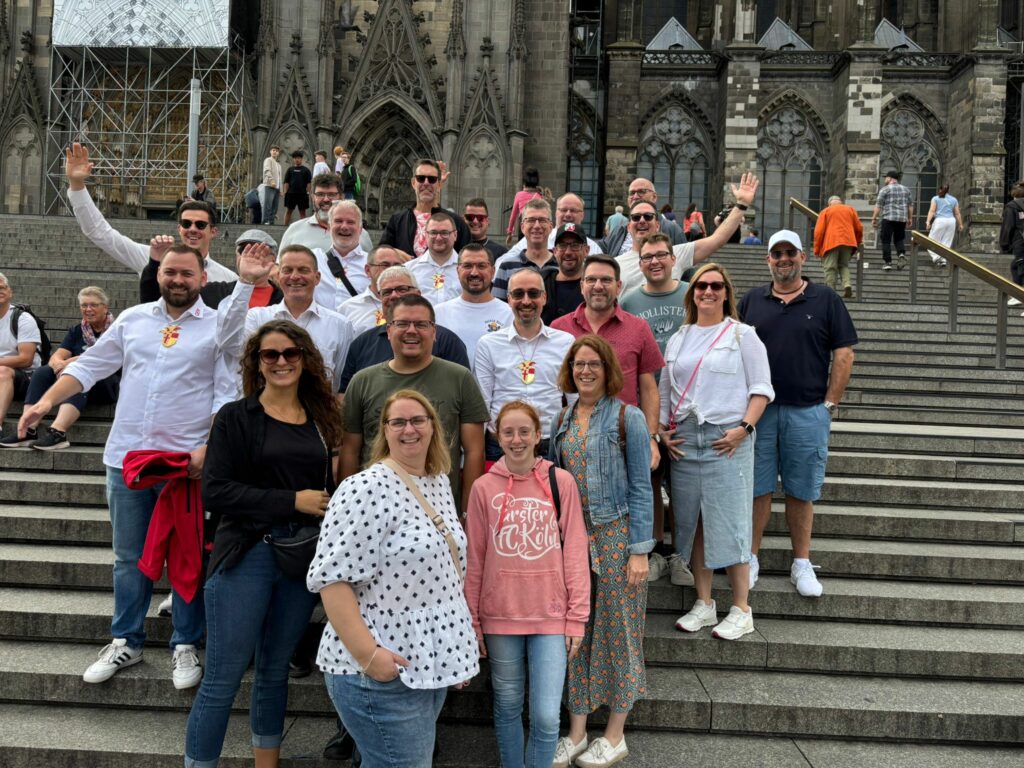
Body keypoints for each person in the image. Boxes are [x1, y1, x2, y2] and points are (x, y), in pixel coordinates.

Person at [18, 245, 235, 688]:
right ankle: (126, 640)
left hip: (184, 464)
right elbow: (91, 367)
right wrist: (43, 402)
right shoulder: (134, 320)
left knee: (187, 557)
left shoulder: (218, 326)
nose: (177, 280)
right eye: (170, 271)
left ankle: (185, 644)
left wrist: (209, 447)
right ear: (159, 275)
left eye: (186, 273)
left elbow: (226, 393)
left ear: (203, 276)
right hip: (128, 459)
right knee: (128, 558)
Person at [185, 320, 342, 768]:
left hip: (297, 558)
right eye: (269, 355)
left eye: (290, 353)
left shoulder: (320, 419)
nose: (280, 362)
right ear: (256, 362)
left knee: (275, 673)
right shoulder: (237, 416)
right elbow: (215, 491)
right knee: (222, 678)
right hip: (247, 557)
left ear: (305, 360)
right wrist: (292, 500)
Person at [309, 390, 479, 767]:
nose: (409, 429)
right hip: (379, 672)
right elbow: (333, 581)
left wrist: (453, 649)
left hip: (423, 665)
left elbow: (444, 577)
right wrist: (370, 657)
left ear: (434, 428)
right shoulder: (364, 488)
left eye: (418, 420)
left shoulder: (436, 482)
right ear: (383, 431)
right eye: (397, 422)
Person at [464, 400, 591, 768]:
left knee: (547, 716)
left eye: (524, 432)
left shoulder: (560, 482)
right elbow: (475, 559)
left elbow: (576, 551)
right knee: (506, 705)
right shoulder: (483, 488)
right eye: (508, 432)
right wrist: (474, 621)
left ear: (538, 436)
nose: (516, 439)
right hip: (500, 615)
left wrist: (576, 616)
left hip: (550, 616)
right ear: (496, 436)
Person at [549, 335, 653, 768]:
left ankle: (615, 734)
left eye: (593, 364)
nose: (585, 371)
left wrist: (640, 550)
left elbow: (642, 488)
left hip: (615, 536)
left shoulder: (629, 417)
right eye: (578, 365)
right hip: (572, 539)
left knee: (620, 633)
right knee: (576, 633)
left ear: (608, 369)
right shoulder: (563, 418)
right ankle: (576, 732)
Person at [738, 230, 857, 598]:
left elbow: (844, 353)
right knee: (756, 489)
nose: (784, 259)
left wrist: (829, 403)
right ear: (767, 259)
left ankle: (801, 562)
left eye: (790, 252)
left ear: (803, 257)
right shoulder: (750, 301)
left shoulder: (826, 299)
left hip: (807, 411)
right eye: (777, 253)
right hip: (759, 413)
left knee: (801, 490)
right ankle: (751, 557)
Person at [658, 263, 774, 641]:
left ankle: (742, 608)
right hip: (686, 440)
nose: (707, 291)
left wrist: (744, 428)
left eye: (715, 286)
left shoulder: (743, 335)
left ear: (726, 292)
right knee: (693, 522)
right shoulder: (679, 337)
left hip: (727, 438)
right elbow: (664, 392)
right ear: (692, 294)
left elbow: (761, 389)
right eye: (701, 286)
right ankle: (705, 603)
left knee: (732, 521)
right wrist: (661, 431)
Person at [341, 295, 488, 510]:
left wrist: (467, 512)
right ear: (388, 331)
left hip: (440, 508)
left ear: (434, 332)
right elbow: (350, 450)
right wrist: (348, 506)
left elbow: (475, 451)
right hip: (376, 509)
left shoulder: (460, 378)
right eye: (402, 323)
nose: (412, 330)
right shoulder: (362, 381)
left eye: (421, 324)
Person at [620, 233, 690, 582]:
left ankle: (683, 552)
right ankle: (658, 548)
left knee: (684, 485)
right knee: (650, 479)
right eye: (647, 257)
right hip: (648, 406)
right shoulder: (630, 300)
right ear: (640, 262)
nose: (655, 261)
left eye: (661, 255)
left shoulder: (691, 293)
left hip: (686, 404)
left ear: (673, 258)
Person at [64, 142, 237, 283]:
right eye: (186, 223)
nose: (192, 229)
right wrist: (77, 185)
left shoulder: (228, 280)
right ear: (179, 228)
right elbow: (101, 233)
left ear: (213, 231)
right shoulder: (153, 259)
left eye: (200, 224)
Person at [552, 256, 664, 458]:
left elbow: (648, 388)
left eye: (606, 280)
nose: (598, 286)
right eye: (591, 280)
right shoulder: (559, 329)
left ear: (619, 286)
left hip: (624, 437)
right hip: (573, 440)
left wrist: (651, 437)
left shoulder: (638, 328)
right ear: (581, 285)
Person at [216, 244, 355, 393]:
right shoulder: (258, 317)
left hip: (317, 413)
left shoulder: (340, 325)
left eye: (303, 270)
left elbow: (339, 381)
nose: (295, 276)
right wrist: (245, 280)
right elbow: (228, 343)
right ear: (278, 277)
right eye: (287, 270)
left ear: (317, 278)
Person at [475, 268, 575, 461]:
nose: (526, 301)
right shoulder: (488, 344)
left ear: (544, 297)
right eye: (519, 294)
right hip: (501, 445)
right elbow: (483, 405)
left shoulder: (565, 342)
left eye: (534, 293)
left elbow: (574, 400)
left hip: (549, 442)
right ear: (509, 299)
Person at [1, 286, 118, 450]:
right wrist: (58, 363)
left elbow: (101, 355)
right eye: (84, 305)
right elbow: (57, 355)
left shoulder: (117, 330)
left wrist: (69, 364)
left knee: (79, 373)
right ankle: (28, 429)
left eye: (93, 305)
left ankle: (58, 432)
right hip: (75, 376)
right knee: (42, 372)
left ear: (105, 307)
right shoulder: (78, 330)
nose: (88, 309)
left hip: (106, 383)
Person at [611, 172, 759, 292]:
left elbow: (717, 239)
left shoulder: (676, 254)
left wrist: (742, 204)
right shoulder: (616, 265)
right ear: (629, 226)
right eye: (636, 217)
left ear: (657, 225)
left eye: (648, 216)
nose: (642, 220)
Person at [337, 267, 470, 392]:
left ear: (418, 294)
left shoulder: (447, 341)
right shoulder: (362, 344)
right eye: (387, 292)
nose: (394, 296)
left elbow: (463, 392)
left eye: (402, 289)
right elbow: (346, 395)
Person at [139, 229, 283, 309]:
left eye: (260, 251)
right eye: (244, 250)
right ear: (236, 256)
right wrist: (154, 263)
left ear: (273, 259)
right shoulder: (213, 292)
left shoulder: (285, 299)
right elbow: (156, 301)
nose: (251, 256)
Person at [434, 243, 513, 366]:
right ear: (458, 270)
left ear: (493, 271)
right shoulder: (438, 313)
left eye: (481, 266)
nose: (474, 273)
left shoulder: (510, 314)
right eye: (467, 266)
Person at [379, 158, 473, 256]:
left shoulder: (456, 222)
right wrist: (402, 256)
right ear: (413, 183)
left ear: (440, 184)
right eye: (421, 178)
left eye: (432, 179)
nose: (426, 183)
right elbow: (381, 254)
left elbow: (468, 258)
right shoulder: (397, 220)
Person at [500, 192, 603, 263]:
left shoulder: (593, 248)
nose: (568, 214)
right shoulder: (535, 239)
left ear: (582, 215)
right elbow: (503, 261)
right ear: (556, 213)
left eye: (573, 210)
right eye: (563, 210)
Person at [0, 272, 42, 439]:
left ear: (10, 292)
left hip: (26, 378)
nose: (0, 291)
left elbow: (26, 359)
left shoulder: (22, 318)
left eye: (2, 287)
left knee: (2, 371)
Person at [492, 197, 556, 300]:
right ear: (522, 227)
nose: (537, 226)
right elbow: (498, 311)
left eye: (542, 220)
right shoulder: (507, 267)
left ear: (551, 227)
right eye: (531, 220)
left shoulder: (561, 266)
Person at [600, 178, 685, 254]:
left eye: (641, 191)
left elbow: (684, 262)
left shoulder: (673, 230)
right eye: (632, 193)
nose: (635, 196)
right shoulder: (619, 230)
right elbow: (599, 250)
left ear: (654, 197)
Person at [338, 246, 411, 332]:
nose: (392, 269)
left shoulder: (414, 304)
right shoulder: (348, 308)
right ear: (368, 270)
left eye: (397, 265)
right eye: (385, 265)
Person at [405, 210, 462, 305]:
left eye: (444, 233)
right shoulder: (409, 270)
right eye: (433, 233)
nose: (438, 238)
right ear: (426, 235)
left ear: (455, 235)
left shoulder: (467, 269)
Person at [813, 195, 864, 298]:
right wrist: (857, 242)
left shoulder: (826, 211)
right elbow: (859, 228)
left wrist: (817, 249)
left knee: (830, 268)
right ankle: (847, 285)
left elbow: (819, 232)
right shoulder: (850, 210)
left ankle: (831, 291)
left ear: (829, 203)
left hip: (831, 242)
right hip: (848, 242)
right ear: (840, 202)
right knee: (843, 265)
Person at [541, 223, 587, 325]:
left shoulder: (595, 287)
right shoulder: (541, 285)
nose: (568, 252)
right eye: (562, 246)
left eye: (575, 246)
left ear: (586, 250)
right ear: (554, 251)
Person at [871, 170, 914, 271]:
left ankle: (888, 262)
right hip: (902, 219)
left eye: (886, 177)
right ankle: (901, 255)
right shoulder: (906, 190)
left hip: (888, 218)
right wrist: (910, 218)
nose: (885, 179)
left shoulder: (885, 190)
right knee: (899, 238)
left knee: (886, 240)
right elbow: (910, 205)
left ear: (890, 178)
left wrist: (874, 218)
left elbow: (878, 205)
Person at [925, 184, 963, 267]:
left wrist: (928, 222)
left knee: (931, 241)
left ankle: (936, 257)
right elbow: (957, 213)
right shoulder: (954, 199)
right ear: (948, 190)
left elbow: (932, 211)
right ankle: (943, 259)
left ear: (940, 190)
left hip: (940, 221)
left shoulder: (935, 198)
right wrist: (960, 224)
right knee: (946, 242)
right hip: (951, 221)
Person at [999, 181, 1024, 305]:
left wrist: (1004, 244)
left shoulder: (1011, 206)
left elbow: (1008, 226)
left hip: (1020, 242)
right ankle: (1018, 293)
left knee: (1018, 266)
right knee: (1017, 266)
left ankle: (1018, 294)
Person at [464, 197, 508, 263]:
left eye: (480, 218)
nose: (475, 221)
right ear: (463, 220)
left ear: (488, 221)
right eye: (470, 217)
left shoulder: (501, 253)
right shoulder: (454, 248)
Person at [507, 166, 543, 243]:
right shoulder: (540, 196)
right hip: (537, 230)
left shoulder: (519, 195)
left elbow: (513, 216)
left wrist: (510, 233)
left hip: (524, 228)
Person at [282, 150, 312, 226]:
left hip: (302, 194)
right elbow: (286, 182)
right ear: (293, 159)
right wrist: (285, 192)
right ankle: (285, 227)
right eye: (295, 158)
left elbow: (309, 183)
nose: (297, 159)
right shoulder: (290, 170)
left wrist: (308, 193)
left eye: (298, 158)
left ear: (301, 159)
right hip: (291, 194)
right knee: (288, 211)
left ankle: (303, 228)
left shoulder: (306, 170)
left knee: (302, 213)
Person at [261, 145, 283, 225]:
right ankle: (265, 221)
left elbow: (280, 178)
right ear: (270, 151)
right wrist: (272, 181)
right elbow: (267, 171)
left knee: (275, 206)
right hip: (270, 185)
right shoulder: (268, 160)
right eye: (273, 150)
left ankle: (271, 221)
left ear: (278, 153)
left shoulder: (279, 165)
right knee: (268, 204)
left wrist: (281, 190)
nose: (275, 152)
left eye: (276, 151)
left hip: (277, 187)